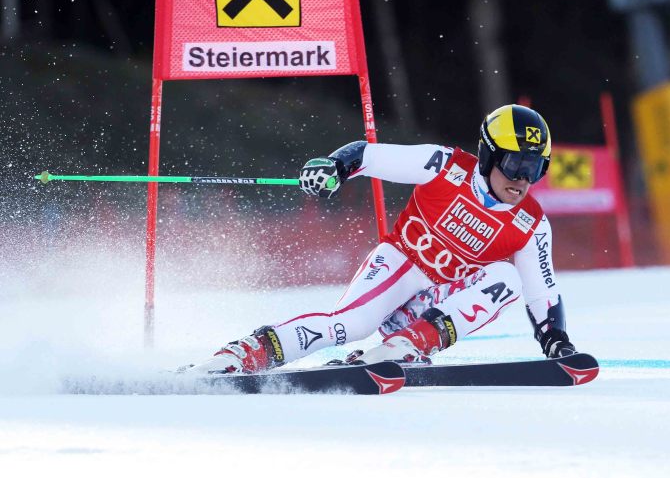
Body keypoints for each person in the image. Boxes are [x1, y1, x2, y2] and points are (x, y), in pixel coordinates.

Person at [189, 104, 577, 374]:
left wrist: (556, 342)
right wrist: (335, 167)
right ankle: (244, 354)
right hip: (401, 266)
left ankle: (406, 346)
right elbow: (368, 155)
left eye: (535, 168)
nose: (523, 179)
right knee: (350, 325)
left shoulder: (531, 223)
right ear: (490, 156)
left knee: (507, 279)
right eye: (515, 165)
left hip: (434, 301)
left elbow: (542, 293)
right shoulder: (444, 164)